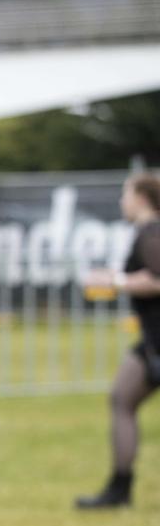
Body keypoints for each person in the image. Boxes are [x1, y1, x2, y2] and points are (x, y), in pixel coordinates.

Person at [75, 172, 160, 508]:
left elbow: (157, 279)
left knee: (122, 402)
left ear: (141, 197)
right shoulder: (147, 231)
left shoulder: (150, 231)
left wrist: (117, 282)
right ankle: (119, 489)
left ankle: (119, 490)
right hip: (152, 341)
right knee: (122, 400)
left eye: (126, 194)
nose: (122, 201)